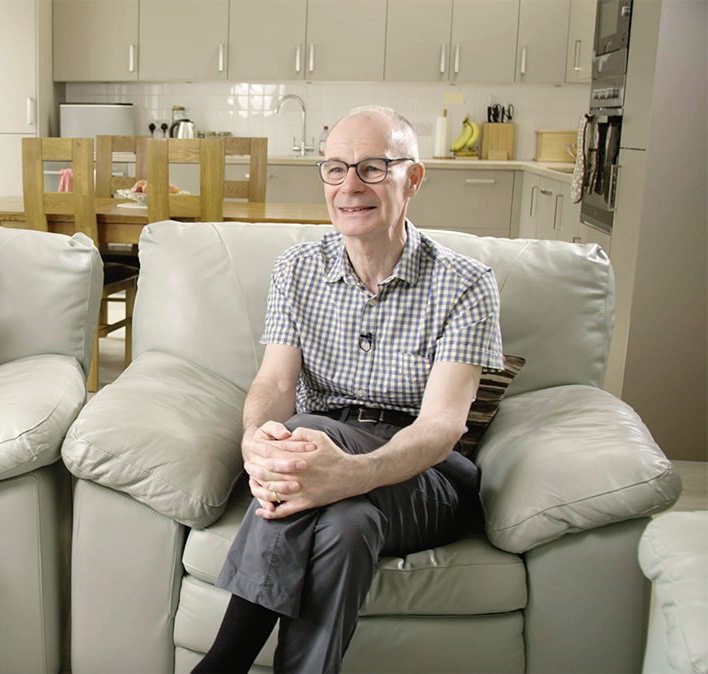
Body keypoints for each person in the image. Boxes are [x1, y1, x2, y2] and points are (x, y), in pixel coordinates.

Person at [192, 106, 504, 674]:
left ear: (413, 178)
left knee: (307, 430)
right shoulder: (297, 269)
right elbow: (274, 382)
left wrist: (350, 471)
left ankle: (221, 665)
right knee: (346, 524)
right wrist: (256, 440)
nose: (350, 186)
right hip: (321, 463)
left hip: (425, 479)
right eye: (336, 168)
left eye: (372, 168)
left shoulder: (465, 283)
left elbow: (442, 426)